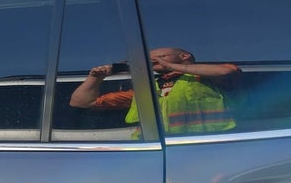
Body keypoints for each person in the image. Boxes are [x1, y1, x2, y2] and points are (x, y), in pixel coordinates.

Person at [70, 47, 241, 135]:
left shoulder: (205, 78)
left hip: (205, 143)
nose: (152, 62)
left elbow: (225, 72)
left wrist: (169, 65)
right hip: (156, 150)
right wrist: (95, 77)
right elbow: (81, 102)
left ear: (184, 56)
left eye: (158, 57)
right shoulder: (147, 89)